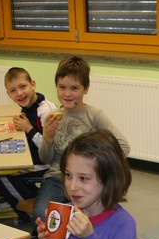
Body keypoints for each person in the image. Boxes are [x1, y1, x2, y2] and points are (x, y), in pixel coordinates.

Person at [37, 129, 136, 239]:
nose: (72, 186)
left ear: (109, 179)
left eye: (83, 178)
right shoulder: (66, 213)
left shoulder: (122, 225)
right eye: (68, 175)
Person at [33, 56, 129, 223]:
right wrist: (47, 137)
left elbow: (123, 146)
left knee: (87, 217)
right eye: (62, 87)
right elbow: (45, 159)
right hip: (58, 177)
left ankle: (80, 234)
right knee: (43, 215)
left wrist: (96, 161)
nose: (67, 94)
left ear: (86, 89)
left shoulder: (94, 115)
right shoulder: (53, 116)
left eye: (74, 88)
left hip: (87, 179)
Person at [0, 67, 57, 221]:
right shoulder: (28, 107)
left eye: (23, 86)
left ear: (33, 84)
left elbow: (51, 148)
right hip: (32, 157)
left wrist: (29, 129)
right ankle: (34, 199)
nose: (19, 93)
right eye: (13, 90)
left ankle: (28, 213)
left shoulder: (46, 111)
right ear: (8, 94)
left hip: (48, 164)